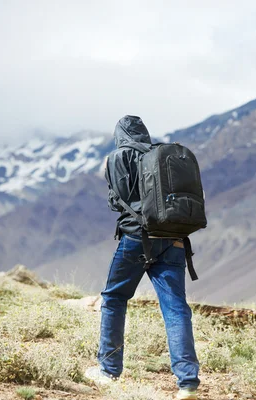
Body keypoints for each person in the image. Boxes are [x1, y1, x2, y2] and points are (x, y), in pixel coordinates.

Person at [85, 116, 200, 400]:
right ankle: (187, 382)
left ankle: (108, 370)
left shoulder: (119, 156)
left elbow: (118, 200)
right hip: (172, 237)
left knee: (114, 299)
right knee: (175, 308)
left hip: (137, 239)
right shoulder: (158, 154)